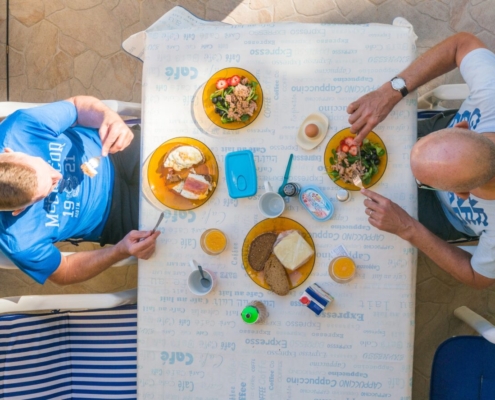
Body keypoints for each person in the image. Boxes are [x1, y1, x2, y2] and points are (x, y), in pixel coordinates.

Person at [346, 32, 495, 289]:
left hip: (443, 216)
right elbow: (462, 43)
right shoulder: (491, 96)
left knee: (355, 225)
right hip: (442, 139)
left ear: (460, 192)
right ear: (461, 127)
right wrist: (391, 91)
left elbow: (477, 277)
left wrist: (408, 229)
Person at [0, 96, 160, 285]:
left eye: (46, 167)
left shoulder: (19, 128)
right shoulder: (19, 240)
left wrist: (109, 117)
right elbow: (65, 271)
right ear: (18, 210)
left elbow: (77, 107)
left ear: (10, 153)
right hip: (114, 218)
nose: (58, 177)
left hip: (114, 152)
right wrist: (120, 250)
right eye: (48, 188)